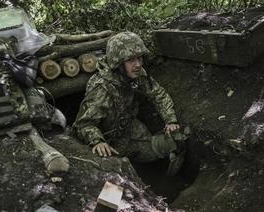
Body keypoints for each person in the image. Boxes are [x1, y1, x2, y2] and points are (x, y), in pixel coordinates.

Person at [73, 32, 187, 174]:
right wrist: (97, 141)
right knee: (114, 170)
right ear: (118, 63)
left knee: (161, 148)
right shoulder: (102, 88)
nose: (138, 64)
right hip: (106, 139)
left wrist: (170, 120)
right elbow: (84, 124)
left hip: (128, 127)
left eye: (139, 58)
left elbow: (158, 94)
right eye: (131, 60)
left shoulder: (137, 74)